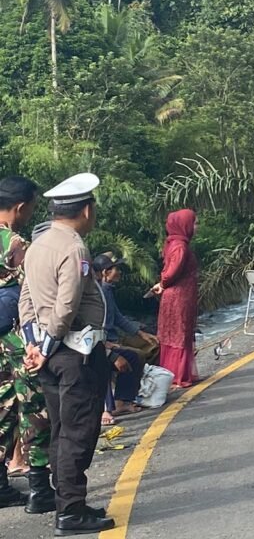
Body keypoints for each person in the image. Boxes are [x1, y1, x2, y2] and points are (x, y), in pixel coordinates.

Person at [20, 173, 115, 533]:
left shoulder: (38, 245)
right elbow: (67, 305)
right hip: (76, 352)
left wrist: (33, 344)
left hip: (48, 355)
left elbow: (27, 301)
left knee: (61, 430)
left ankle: (68, 502)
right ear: (86, 210)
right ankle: (71, 511)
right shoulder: (74, 248)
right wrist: (46, 347)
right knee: (78, 432)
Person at [0, 176, 54, 514]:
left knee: (2, 406)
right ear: (20, 208)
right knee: (34, 407)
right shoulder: (16, 243)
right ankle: (39, 488)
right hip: (17, 338)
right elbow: (36, 291)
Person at [95, 254, 155, 417]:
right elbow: (99, 323)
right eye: (116, 269)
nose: (119, 273)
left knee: (143, 352)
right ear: (106, 273)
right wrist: (108, 345)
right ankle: (116, 403)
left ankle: (123, 400)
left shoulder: (107, 290)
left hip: (110, 340)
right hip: (102, 342)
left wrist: (140, 333)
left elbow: (118, 317)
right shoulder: (100, 292)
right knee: (135, 357)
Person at [151, 209, 199, 389]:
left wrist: (161, 284)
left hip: (177, 295)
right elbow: (171, 272)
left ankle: (177, 373)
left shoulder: (174, 244)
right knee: (180, 332)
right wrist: (163, 282)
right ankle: (178, 375)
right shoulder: (180, 246)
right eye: (194, 223)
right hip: (179, 296)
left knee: (176, 332)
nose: (196, 227)